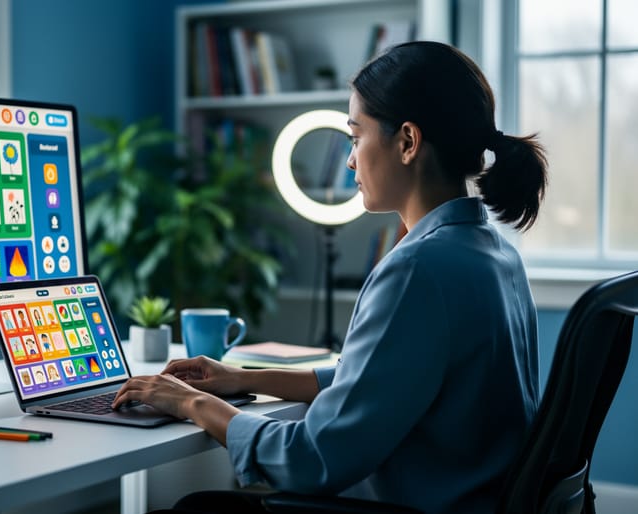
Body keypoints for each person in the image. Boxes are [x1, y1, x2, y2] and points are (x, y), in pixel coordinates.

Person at [112, 41, 548, 514]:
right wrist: (239, 377)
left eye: (355, 137)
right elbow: (375, 378)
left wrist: (191, 404)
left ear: (407, 142)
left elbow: (314, 459)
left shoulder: (418, 269)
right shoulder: (496, 253)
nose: (349, 160)